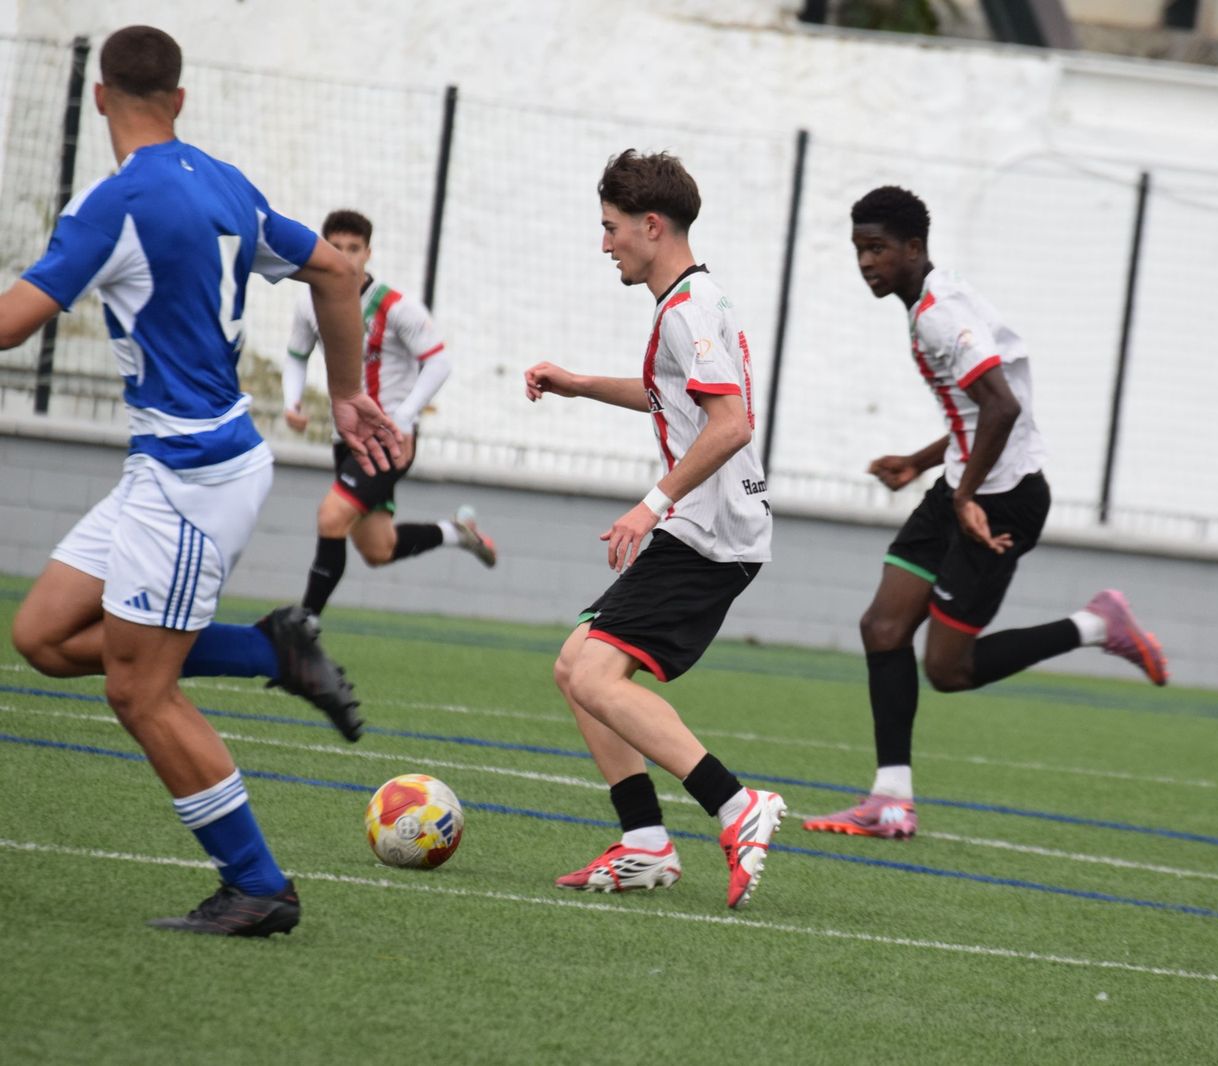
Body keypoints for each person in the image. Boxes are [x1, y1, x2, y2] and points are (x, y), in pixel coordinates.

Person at [3, 26, 402, 934]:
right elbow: (337, 273)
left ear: (100, 99)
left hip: (192, 476)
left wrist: (341, 398)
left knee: (139, 690)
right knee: (45, 634)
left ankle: (258, 886)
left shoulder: (112, 202)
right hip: (175, 466)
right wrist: (348, 397)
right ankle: (275, 651)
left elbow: (12, 324)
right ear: (179, 101)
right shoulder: (224, 182)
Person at [803, 186, 1168, 841]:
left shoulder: (942, 314)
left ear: (914, 248)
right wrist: (920, 463)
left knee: (948, 669)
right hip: (962, 488)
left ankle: (1095, 624)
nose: (866, 262)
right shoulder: (931, 303)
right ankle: (890, 800)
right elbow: (979, 411)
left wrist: (968, 497)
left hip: (1001, 501)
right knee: (884, 628)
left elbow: (1003, 408)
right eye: (859, 249)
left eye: (878, 248)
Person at [523, 149, 785, 910]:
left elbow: (729, 425)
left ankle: (738, 807)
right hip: (703, 525)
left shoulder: (691, 308)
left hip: (713, 533)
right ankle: (643, 843)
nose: (605, 245)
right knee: (576, 666)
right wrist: (578, 383)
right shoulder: (684, 305)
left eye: (610, 229)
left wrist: (651, 502)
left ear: (651, 224)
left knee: (598, 673)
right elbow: (670, 394)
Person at [281, 209, 496, 618]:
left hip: (388, 440)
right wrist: (292, 402)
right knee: (377, 549)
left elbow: (439, 363)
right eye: (336, 247)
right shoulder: (311, 301)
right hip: (346, 439)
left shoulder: (396, 307)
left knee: (331, 517)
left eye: (354, 248)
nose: (345, 257)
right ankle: (456, 532)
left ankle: (302, 627)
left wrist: (404, 417)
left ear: (369, 253)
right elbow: (295, 356)